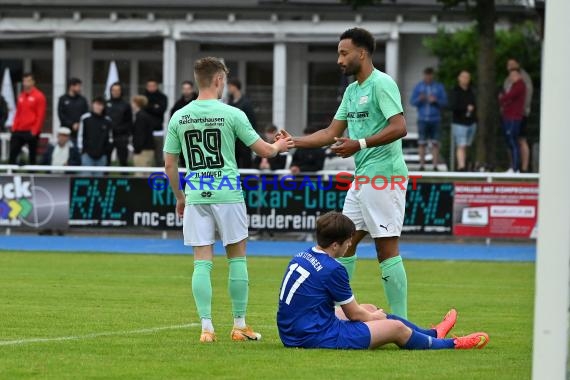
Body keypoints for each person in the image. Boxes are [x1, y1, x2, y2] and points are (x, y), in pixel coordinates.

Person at [281, 28, 410, 318]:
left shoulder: (381, 84)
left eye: (343, 53)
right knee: (342, 244)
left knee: (385, 249)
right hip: (363, 178)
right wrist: (291, 142)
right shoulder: (352, 91)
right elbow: (330, 133)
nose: (339, 59)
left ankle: (403, 323)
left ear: (361, 53)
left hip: (385, 177)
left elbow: (400, 127)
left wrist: (359, 143)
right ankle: (343, 313)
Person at [163, 57, 293, 343]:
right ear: (219, 79)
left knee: (201, 262)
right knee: (237, 257)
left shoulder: (179, 116)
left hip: (197, 191)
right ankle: (239, 325)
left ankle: (206, 328)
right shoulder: (231, 114)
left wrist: (180, 197)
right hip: (227, 190)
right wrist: (280, 145)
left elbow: (170, 165)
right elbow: (264, 150)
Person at [277, 211, 489, 350]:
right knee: (394, 327)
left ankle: (433, 333)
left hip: (294, 329)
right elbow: (354, 314)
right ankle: (452, 344)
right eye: (348, 241)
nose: (350, 244)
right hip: (312, 336)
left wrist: (369, 313)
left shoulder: (302, 254)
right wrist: (374, 317)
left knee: (368, 307)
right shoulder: (333, 268)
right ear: (335, 244)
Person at [410, 67, 448, 171]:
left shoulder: (438, 87)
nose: (428, 77)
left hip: (435, 119)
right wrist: (420, 99)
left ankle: (435, 165)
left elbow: (445, 102)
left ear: (433, 75)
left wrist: (436, 101)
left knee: (435, 143)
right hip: (422, 119)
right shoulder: (419, 87)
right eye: (426, 75)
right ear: (424, 75)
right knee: (422, 142)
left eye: (430, 75)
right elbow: (412, 101)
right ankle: (422, 165)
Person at [9, 72, 46, 165]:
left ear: (33, 82)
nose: (26, 83)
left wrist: (34, 130)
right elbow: (18, 113)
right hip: (19, 130)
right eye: (24, 81)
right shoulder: (21, 96)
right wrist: (14, 127)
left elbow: (40, 115)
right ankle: (10, 174)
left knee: (32, 156)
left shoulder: (39, 96)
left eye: (28, 81)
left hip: (31, 131)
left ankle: (32, 176)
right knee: (13, 152)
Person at [504, 58, 533, 173]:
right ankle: (513, 165)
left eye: (512, 64)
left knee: (521, 139)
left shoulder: (523, 78)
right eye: (508, 64)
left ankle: (523, 167)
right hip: (509, 114)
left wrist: (522, 110)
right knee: (511, 139)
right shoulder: (508, 78)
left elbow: (527, 95)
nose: (510, 66)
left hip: (520, 114)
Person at [499, 69, 526, 173]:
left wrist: (502, 98)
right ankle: (513, 166)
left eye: (514, 75)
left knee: (513, 141)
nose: (512, 77)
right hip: (508, 116)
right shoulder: (514, 85)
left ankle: (515, 168)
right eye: (511, 75)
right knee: (509, 142)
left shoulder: (520, 86)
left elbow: (508, 97)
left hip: (514, 117)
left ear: (519, 75)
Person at [449, 70, 477, 171]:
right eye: (463, 77)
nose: (466, 79)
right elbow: (453, 106)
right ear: (459, 78)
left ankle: (466, 163)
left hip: (471, 122)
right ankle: (461, 166)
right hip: (459, 122)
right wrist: (465, 108)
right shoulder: (455, 91)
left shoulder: (472, 91)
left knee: (467, 145)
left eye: (467, 77)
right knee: (461, 144)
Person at [78, 97, 113, 176]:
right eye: (96, 104)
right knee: (85, 179)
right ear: (92, 105)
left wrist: (106, 151)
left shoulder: (107, 120)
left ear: (103, 107)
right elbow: (80, 135)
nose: (98, 107)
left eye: (100, 105)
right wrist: (82, 150)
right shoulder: (85, 118)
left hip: (102, 156)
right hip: (87, 155)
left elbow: (110, 138)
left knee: (99, 181)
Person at [227, 78, 257, 168]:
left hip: (244, 140)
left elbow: (252, 121)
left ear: (235, 87)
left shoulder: (246, 103)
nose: (228, 89)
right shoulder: (230, 102)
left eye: (229, 86)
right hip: (233, 140)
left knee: (245, 163)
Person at [105, 82, 132, 167]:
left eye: (117, 90)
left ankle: (125, 179)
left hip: (122, 137)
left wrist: (119, 129)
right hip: (107, 137)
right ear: (110, 91)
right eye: (113, 90)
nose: (115, 92)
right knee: (106, 161)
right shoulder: (106, 104)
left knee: (123, 161)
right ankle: (105, 179)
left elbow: (129, 122)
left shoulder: (126, 105)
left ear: (121, 91)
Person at [57, 77, 88, 144]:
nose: (80, 88)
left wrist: (79, 124)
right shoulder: (62, 99)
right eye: (78, 86)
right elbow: (61, 115)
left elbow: (86, 114)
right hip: (65, 131)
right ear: (71, 86)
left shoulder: (82, 100)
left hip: (79, 131)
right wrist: (71, 124)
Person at [144, 79, 168, 166]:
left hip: (158, 131)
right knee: (147, 157)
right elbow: (143, 110)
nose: (151, 88)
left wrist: (148, 107)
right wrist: (154, 107)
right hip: (145, 132)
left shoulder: (162, 97)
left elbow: (161, 110)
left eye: (153, 86)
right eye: (149, 86)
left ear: (157, 86)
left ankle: (160, 176)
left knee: (158, 157)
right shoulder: (143, 97)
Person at [131, 95, 155, 169]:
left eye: (133, 103)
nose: (131, 105)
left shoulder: (141, 117)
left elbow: (140, 134)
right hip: (146, 149)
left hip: (143, 151)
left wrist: (137, 149)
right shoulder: (144, 115)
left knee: (140, 175)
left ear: (137, 104)